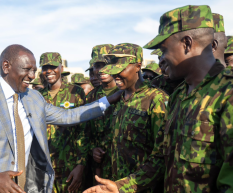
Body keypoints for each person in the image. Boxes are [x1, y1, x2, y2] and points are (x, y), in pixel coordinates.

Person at [84, 5, 233, 193]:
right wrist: (121, 187)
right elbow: (160, 157)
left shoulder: (227, 93)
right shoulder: (179, 96)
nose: (161, 59)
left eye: (163, 50)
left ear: (187, 43)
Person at [0, 45, 120, 193]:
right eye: (26, 69)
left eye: (34, 70)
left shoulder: (33, 98)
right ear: (6, 66)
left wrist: (108, 100)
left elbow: (68, 115)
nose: (33, 76)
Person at [100, 43, 168, 193]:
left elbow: (161, 156)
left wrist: (125, 186)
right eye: (113, 71)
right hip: (116, 186)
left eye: (120, 70)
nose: (115, 76)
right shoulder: (119, 99)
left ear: (138, 66)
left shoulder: (156, 99)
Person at [39, 52, 90, 193]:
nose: (48, 71)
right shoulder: (38, 96)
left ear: (61, 67)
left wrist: (81, 165)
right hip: (45, 168)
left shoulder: (75, 92)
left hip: (69, 165)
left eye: (53, 66)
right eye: (45, 67)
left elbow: (84, 131)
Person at [85, 44, 117, 184]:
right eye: (97, 65)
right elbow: (84, 132)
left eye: (105, 64)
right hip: (99, 170)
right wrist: (92, 149)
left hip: (125, 171)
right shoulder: (91, 98)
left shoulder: (127, 94)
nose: (100, 70)